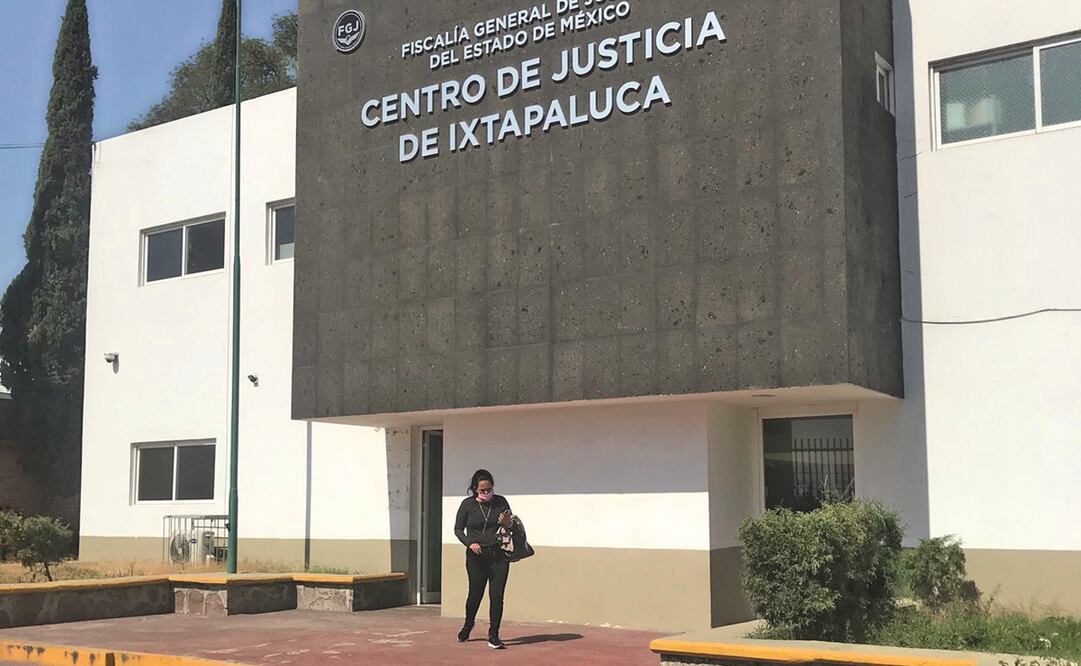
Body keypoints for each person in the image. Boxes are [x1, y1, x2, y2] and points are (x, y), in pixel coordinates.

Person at [454, 469, 512, 649]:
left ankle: (494, 635)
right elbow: (458, 529)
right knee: (475, 594)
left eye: (489, 489)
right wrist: (470, 543)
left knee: (497, 596)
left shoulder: (501, 501)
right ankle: (468, 624)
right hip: (476, 556)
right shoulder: (467, 505)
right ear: (475, 489)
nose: (487, 493)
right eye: (483, 490)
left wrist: (506, 522)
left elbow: (510, 526)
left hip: (498, 555)